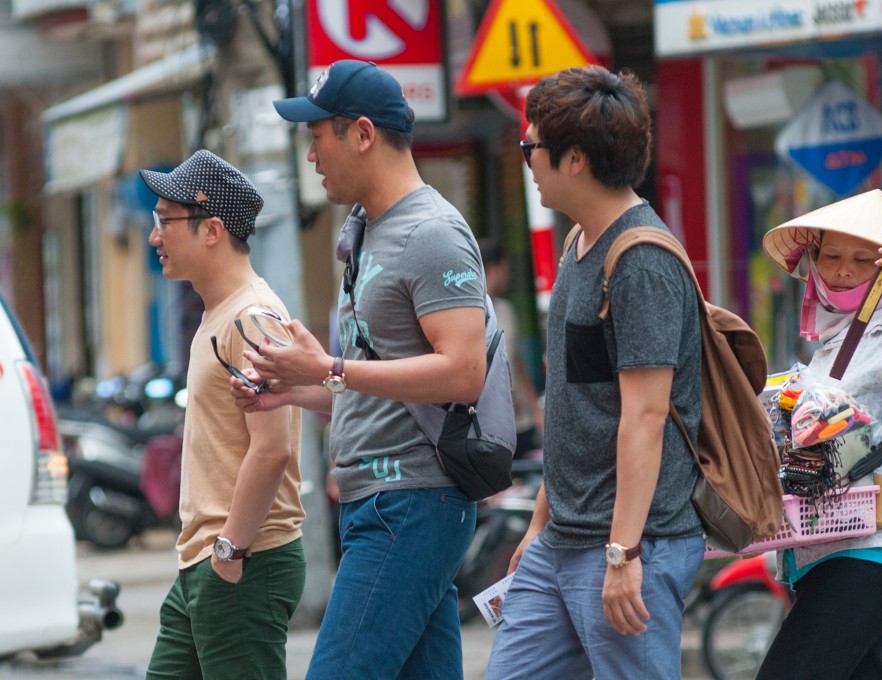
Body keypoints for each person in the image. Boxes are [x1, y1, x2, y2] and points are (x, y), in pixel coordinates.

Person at [231, 59, 487, 679]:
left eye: (318, 135)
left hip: (413, 501)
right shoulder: (365, 233)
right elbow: (378, 382)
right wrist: (297, 387)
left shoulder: (432, 232)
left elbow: (463, 371)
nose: (310, 153)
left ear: (363, 134)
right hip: (379, 502)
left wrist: (331, 368)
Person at [484, 65, 704, 679]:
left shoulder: (640, 261)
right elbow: (577, 405)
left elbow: (646, 414)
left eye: (532, 148)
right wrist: (539, 525)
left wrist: (624, 551)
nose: (525, 159)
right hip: (562, 541)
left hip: (632, 543)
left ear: (574, 159)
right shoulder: (581, 242)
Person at [756, 188, 882, 679]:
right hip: (821, 554)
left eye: (862, 259)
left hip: (872, 550)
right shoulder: (825, 350)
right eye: (831, 256)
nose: (844, 270)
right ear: (812, 260)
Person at [141, 150, 306, 679]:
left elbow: (272, 446)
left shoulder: (252, 318)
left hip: (244, 559)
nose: (154, 237)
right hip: (206, 560)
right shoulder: (219, 312)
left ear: (212, 230)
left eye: (165, 221)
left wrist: (230, 551)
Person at [479, 239, 544, 456]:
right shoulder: (473, 313)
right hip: (491, 425)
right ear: (492, 269)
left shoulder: (507, 310)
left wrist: (536, 410)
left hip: (522, 420)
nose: (508, 277)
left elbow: (516, 360)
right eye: (505, 270)